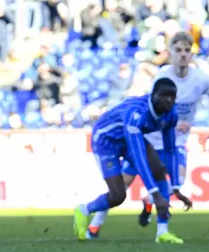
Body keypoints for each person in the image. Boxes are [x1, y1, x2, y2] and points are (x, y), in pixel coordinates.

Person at [87, 32, 209, 244]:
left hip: (175, 142)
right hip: (150, 141)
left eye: (187, 50)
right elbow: (152, 112)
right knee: (120, 189)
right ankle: (94, 224)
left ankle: (160, 226)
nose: (183, 54)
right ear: (171, 53)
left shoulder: (201, 78)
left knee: (176, 180)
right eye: (178, 50)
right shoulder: (161, 77)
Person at [73, 78, 192, 241]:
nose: (169, 100)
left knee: (158, 168)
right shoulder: (137, 114)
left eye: (173, 96)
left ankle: (162, 232)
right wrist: (155, 195)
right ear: (154, 95)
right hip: (106, 141)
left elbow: (170, 149)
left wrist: (176, 186)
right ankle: (84, 210)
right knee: (117, 196)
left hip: (128, 138)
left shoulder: (171, 114)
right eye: (164, 96)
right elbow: (139, 158)